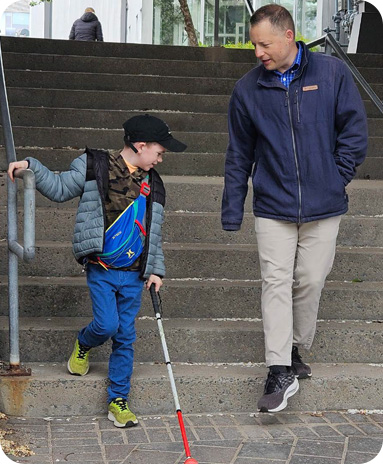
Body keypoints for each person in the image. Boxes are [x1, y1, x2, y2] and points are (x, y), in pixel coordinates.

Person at [221, 4, 368, 413]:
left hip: (325, 204)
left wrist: (335, 176)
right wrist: (233, 208)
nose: (257, 53)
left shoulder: (332, 74)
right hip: (272, 205)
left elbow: (354, 132)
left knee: (309, 280)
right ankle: (279, 368)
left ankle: (297, 349)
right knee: (275, 281)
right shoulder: (248, 89)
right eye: (254, 45)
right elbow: (238, 155)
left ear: (288, 36)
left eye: (264, 44)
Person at [8, 114, 187, 427]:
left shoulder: (153, 185)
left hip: (133, 273)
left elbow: (153, 231)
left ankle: (118, 400)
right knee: (106, 325)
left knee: (125, 336)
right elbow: (61, 188)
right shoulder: (95, 166)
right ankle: (84, 343)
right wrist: (32, 167)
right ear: (140, 145)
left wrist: (155, 270)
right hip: (102, 268)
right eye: (159, 152)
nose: (161, 159)